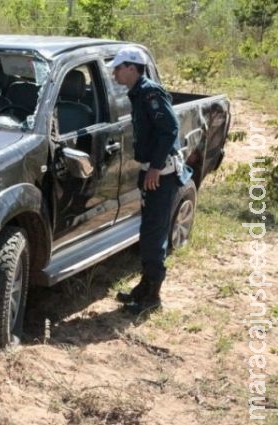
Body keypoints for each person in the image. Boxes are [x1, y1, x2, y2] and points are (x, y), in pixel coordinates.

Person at [108, 47, 187, 315]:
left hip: (161, 174)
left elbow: (170, 129)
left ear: (132, 68)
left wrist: (154, 167)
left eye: (118, 68)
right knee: (148, 231)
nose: (114, 72)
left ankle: (152, 297)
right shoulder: (138, 93)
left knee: (154, 232)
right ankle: (145, 287)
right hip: (152, 171)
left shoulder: (150, 92)